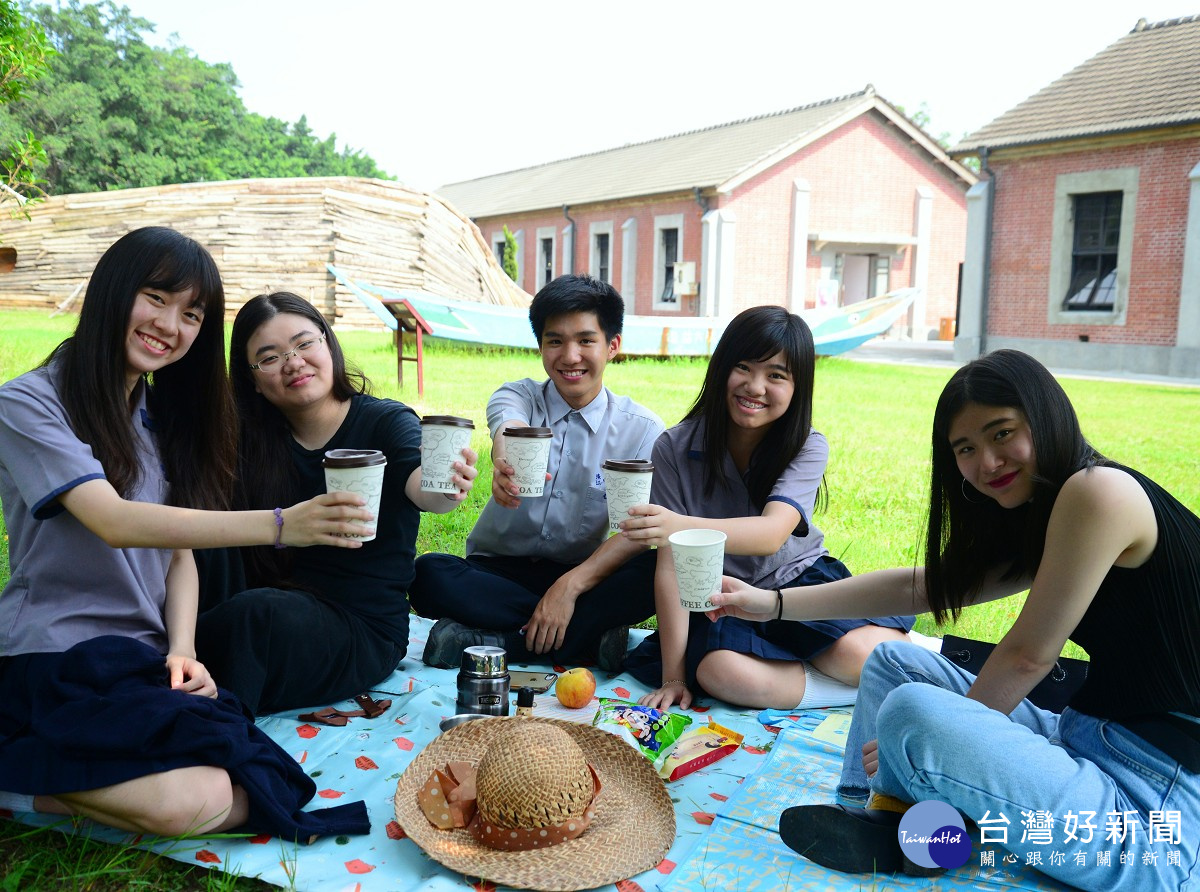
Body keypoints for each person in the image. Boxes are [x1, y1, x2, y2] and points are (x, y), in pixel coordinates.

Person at [712, 349, 1200, 890]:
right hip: (1084, 741)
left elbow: (1028, 656)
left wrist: (930, 739)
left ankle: (911, 824)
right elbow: (919, 586)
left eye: (1002, 433)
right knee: (895, 662)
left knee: (916, 711)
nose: (987, 461)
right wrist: (771, 603)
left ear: (1046, 416)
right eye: (966, 448)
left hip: (1154, 812)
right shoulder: (1048, 509)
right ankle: (875, 815)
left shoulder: (1099, 492)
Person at [0, 228, 373, 840]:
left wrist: (182, 650)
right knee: (195, 803)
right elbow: (113, 520)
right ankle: (20, 781)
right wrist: (282, 525)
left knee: (259, 785)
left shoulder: (158, 418)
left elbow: (179, 558)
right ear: (113, 292)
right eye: (156, 297)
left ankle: (45, 769)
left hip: (138, 661)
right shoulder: (28, 405)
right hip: (52, 655)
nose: (170, 325)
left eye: (192, 313)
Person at [195, 292, 477, 714]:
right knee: (197, 542)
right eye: (269, 357)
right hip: (264, 605)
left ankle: (217, 726)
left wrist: (447, 484)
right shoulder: (247, 441)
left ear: (329, 344)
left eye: (304, 343)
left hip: (359, 628)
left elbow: (424, 487)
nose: (293, 362)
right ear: (252, 379)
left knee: (254, 618)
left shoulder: (384, 421)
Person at [622, 306, 913, 711]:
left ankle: (850, 675)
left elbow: (771, 533)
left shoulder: (807, 445)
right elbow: (670, 568)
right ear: (721, 369)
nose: (755, 387)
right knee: (720, 674)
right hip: (723, 601)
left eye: (776, 375)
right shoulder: (674, 447)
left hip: (801, 583)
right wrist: (673, 676)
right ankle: (851, 690)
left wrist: (674, 526)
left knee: (869, 657)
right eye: (743, 367)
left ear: (798, 387)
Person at [409, 274, 662, 670]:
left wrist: (569, 587)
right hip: (498, 573)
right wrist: (504, 461)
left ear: (613, 346)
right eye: (555, 341)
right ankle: (584, 639)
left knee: (658, 568)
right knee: (427, 574)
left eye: (585, 340)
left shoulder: (642, 430)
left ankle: (501, 641)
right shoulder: (519, 394)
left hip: (585, 576)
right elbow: (506, 425)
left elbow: (637, 531)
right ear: (540, 345)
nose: (570, 356)